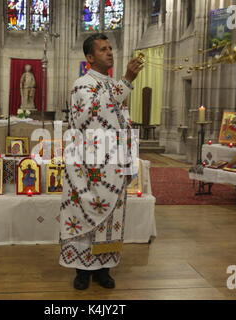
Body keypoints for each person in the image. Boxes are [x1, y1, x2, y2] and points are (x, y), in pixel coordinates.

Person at [59, 33, 142, 290]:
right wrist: (127, 80)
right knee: (84, 212)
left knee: (110, 218)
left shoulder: (109, 84)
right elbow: (93, 114)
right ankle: (82, 271)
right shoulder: (82, 84)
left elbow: (118, 119)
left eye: (110, 48)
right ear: (90, 57)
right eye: (103, 49)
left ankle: (104, 268)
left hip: (113, 164)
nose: (110, 52)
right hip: (87, 165)